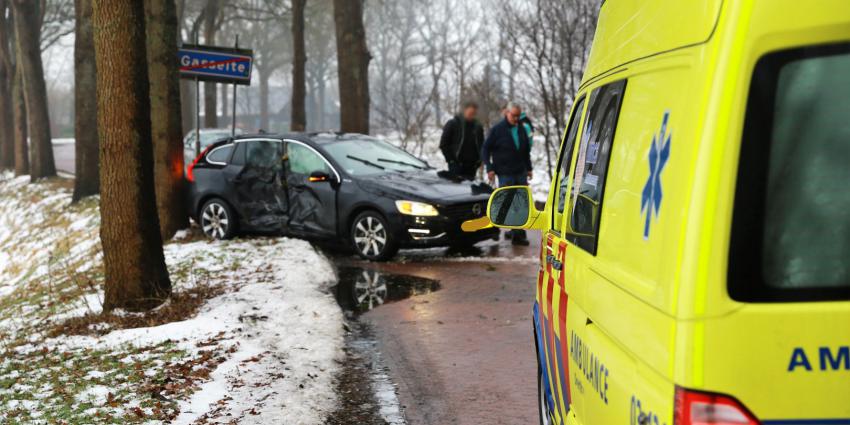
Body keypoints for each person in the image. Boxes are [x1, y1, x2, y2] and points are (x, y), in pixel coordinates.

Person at [481, 102, 533, 245]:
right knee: (506, 202)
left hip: (520, 171)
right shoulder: (497, 130)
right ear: (507, 113)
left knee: (521, 204)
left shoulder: (521, 129)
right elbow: (485, 149)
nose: (516, 118)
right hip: (505, 173)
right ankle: (494, 229)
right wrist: (489, 168)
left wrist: (529, 168)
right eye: (513, 115)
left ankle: (518, 234)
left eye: (518, 116)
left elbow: (525, 150)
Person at [439, 101, 485, 180]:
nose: (472, 115)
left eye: (474, 113)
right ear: (465, 111)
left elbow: (482, 145)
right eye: (470, 112)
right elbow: (444, 144)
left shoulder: (478, 127)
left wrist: (478, 162)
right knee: (456, 189)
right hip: (456, 165)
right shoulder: (453, 124)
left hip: (472, 167)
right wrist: (451, 160)